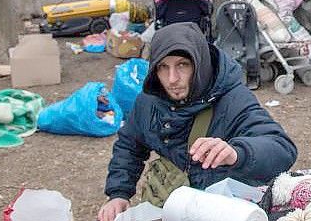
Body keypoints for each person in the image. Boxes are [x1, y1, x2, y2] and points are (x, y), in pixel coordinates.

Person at [97, 22, 297, 221]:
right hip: (174, 204)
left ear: (200, 64)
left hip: (221, 208)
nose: (172, 79)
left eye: (182, 65)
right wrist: (118, 193)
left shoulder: (233, 99)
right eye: (163, 67)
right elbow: (129, 145)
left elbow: (282, 149)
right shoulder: (149, 101)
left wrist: (237, 152)